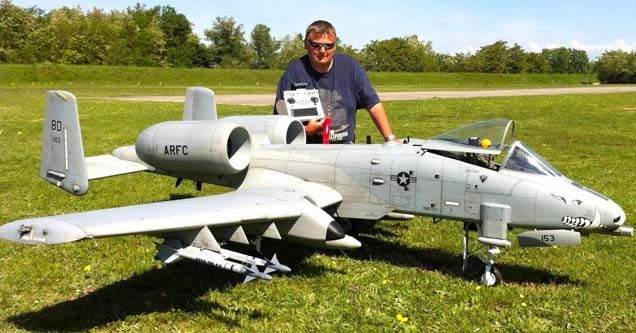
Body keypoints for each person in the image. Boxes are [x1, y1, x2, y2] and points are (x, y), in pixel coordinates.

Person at [274, 20, 397, 144]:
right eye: (316, 45)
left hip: (344, 149)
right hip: (307, 151)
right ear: (306, 44)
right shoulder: (293, 73)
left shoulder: (351, 68)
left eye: (328, 46)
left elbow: (373, 104)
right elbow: (279, 123)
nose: (322, 51)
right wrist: (306, 130)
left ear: (335, 46)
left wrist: (390, 138)